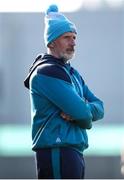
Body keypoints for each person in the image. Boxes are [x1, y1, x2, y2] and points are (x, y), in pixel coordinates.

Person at [24, 4, 104, 179]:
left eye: (74, 37)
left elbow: (100, 107)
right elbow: (84, 116)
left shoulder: (72, 73)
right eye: (67, 37)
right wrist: (82, 113)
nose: (73, 42)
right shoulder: (47, 71)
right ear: (51, 42)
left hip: (72, 151)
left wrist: (80, 112)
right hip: (56, 151)